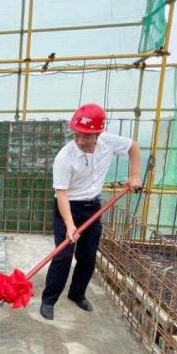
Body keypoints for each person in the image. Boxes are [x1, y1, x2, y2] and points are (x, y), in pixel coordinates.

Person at [39, 103, 142, 320]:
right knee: (63, 255)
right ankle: (48, 300)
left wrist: (134, 176)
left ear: (98, 133)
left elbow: (133, 147)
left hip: (92, 207)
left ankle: (77, 294)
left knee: (87, 256)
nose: (79, 140)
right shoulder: (64, 158)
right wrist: (70, 226)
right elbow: (62, 194)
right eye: (76, 134)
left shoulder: (108, 142)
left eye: (86, 136)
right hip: (68, 208)